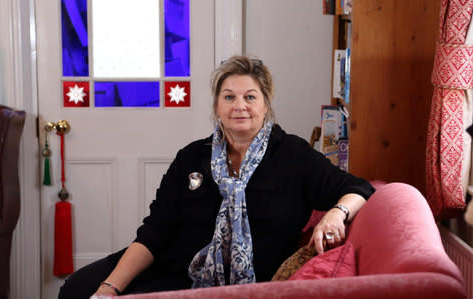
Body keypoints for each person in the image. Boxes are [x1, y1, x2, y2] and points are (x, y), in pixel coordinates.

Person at [58, 55, 374, 298]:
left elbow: (358, 188)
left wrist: (337, 212)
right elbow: (155, 232)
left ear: (266, 105)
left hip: (238, 284)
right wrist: (110, 288)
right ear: (216, 105)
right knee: (76, 289)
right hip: (171, 266)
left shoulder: (293, 155)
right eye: (229, 97)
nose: (240, 106)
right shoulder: (192, 157)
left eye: (250, 97)